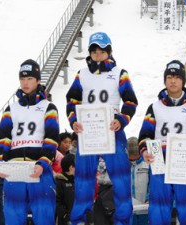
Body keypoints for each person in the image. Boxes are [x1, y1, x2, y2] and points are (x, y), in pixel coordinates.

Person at [66, 31, 138, 225]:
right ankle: (80, 221)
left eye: (102, 50)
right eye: (94, 51)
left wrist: (121, 120)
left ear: (110, 51)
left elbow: (131, 101)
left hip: (112, 131)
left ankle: (122, 221)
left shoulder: (119, 73)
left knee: (121, 181)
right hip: (87, 133)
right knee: (83, 181)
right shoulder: (82, 74)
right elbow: (71, 100)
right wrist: (73, 120)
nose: (98, 55)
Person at [138, 60, 186, 225]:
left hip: (185, 163)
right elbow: (145, 134)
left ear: (183, 81)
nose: (173, 80)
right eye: (169, 76)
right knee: (159, 207)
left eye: (177, 77)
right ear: (165, 80)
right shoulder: (154, 107)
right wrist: (145, 151)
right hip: (159, 162)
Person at [0, 59, 60, 225]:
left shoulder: (48, 107)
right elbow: (3, 138)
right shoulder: (11, 109)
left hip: (39, 169)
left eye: (30, 78)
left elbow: (52, 138)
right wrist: (1, 162)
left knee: (44, 216)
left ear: (38, 80)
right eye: (22, 79)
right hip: (14, 170)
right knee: (12, 217)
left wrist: (43, 163)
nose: (25, 83)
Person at [127, 136, 150, 225]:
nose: (133, 158)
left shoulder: (147, 163)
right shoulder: (124, 165)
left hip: (145, 208)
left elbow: (153, 183)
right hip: (129, 209)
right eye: (131, 157)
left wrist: (150, 197)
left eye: (136, 156)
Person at [55, 154, 75, 225]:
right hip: (65, 221)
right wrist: (65, 215)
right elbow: (57, 202)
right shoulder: (59, 182)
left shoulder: (77, 181)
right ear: (71, 167)